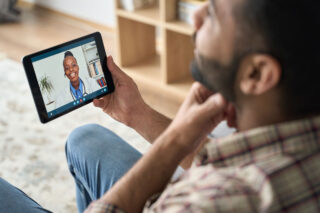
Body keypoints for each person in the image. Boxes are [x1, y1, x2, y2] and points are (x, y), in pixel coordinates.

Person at [1, 0, 320, 212]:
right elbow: (235, 158)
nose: (195, 15)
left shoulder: (206, 202)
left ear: (257, 74)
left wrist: (174, 142)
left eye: (213, 15)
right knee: (85, 138)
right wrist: (136, 113)